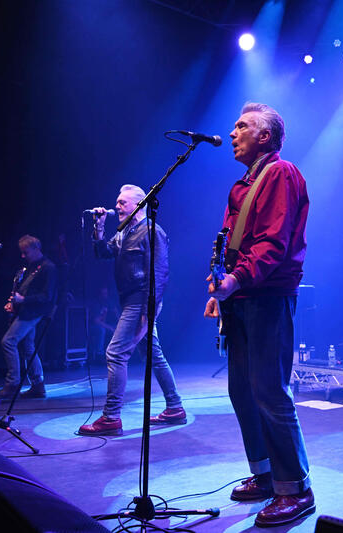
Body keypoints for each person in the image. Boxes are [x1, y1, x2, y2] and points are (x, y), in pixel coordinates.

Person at [204, 102, 314, 527]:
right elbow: (227, 242)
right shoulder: (242, 185)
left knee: (269, 391)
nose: (233, 133)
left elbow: (273, 243)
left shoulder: (281, 174)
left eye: (242, 126)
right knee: (242, 391)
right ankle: (266, 473)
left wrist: (238, 279)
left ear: (264, 136)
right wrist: (220, 287)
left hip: (267, 295)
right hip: (244, 295)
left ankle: (296, 488)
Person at [78, 184, 185, 436]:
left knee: (115, 353)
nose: (117, 206)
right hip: (129, 300)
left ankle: (111, 417)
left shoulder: (152, 230)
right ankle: (175, 407)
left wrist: (150, 308)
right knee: (153, 354)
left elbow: (159, 272)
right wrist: (99, 227)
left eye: (122, 202)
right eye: (117, 202)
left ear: (138, 204)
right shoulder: (124, 233)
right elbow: (102, 253)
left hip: (141, 300)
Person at [0, 235, 56, 399]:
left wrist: (23, 300)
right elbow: (24, 291)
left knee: (8, 341)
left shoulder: (48, 267)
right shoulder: (31, 267)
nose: (23, 256)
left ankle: (12, 384)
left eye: (25, 252)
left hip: (33, 313)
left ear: (35, 249)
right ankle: (38, 385)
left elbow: (47, 296)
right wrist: (14, 303)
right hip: (26, 311)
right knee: (28, 347)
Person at [89, 286, 117, 361]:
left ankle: (115, 353)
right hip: (93, 326)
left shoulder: (107, 302)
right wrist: (109, 327)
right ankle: (99, 354)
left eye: (106, 293)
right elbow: (96, 321)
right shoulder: (95, 304)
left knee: (118, 329)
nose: (105, 295)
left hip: (104, 325)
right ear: (99, 295)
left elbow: (115, 312)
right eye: (103, 294)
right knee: (101, 330)